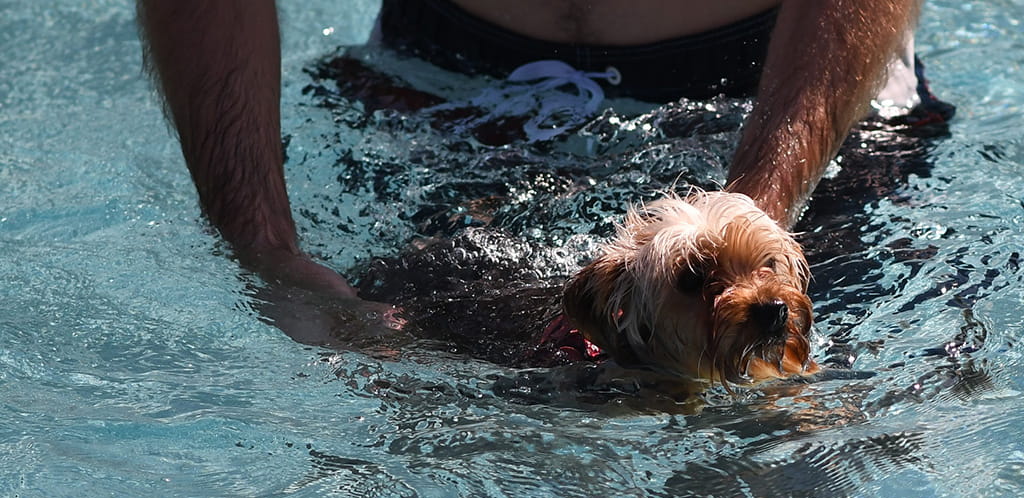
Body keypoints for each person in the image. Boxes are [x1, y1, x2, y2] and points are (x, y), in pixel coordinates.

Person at [136, 0, 935, 313]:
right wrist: (263, 245)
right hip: (447, 80)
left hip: (783, 83)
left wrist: (753, 209)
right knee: (410, 411)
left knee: (797, 440)